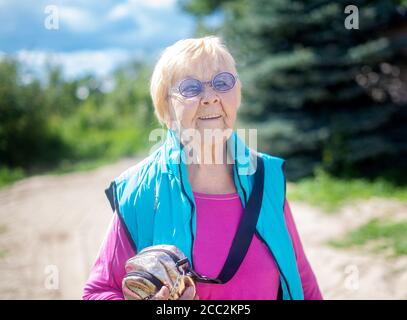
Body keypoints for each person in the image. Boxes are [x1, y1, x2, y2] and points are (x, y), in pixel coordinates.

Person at [83, 36, 323, 300]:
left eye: (222, 82)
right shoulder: (141, 191)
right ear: (166, 109)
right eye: (190, 87)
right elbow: (98, 292)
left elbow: (300, 277)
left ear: (237, 94)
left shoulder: (267, 179)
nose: (210, 97)